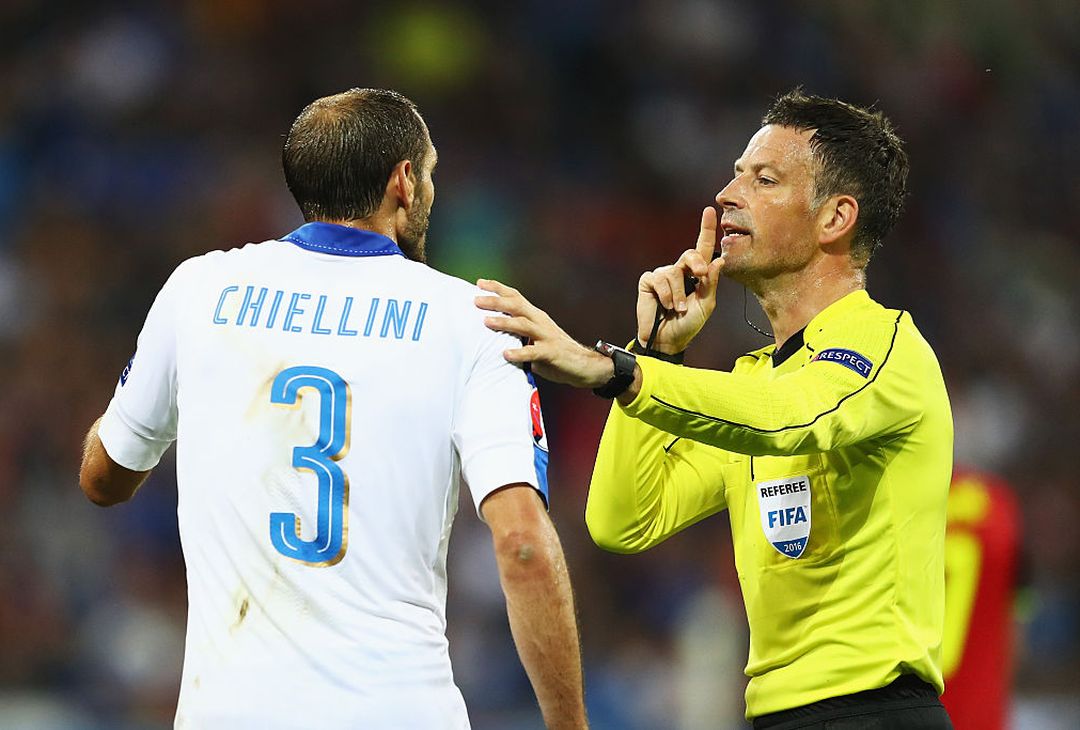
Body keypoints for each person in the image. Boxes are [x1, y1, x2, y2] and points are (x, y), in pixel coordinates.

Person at [78, 88, 588, 730]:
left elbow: (105, 477)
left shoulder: (199, 291)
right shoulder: (477, 320)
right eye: (429, 173)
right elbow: (522, 547)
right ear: (405, 182)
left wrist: (144, 409)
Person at [476, 90, 954, 728]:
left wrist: (619, 371)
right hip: (775, 716)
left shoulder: (887, 345)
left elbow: (793, 416)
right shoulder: (752, 383)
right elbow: (623, 521)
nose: (727, 195)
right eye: (734, 174)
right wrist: (656, 354)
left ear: (835, 218)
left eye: (764, 179)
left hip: (876, 713)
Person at [940, 468, 1023, 730]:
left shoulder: (898, 494)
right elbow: (1018, 623)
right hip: (982, 713)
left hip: (908, 707)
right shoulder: (997, 501)